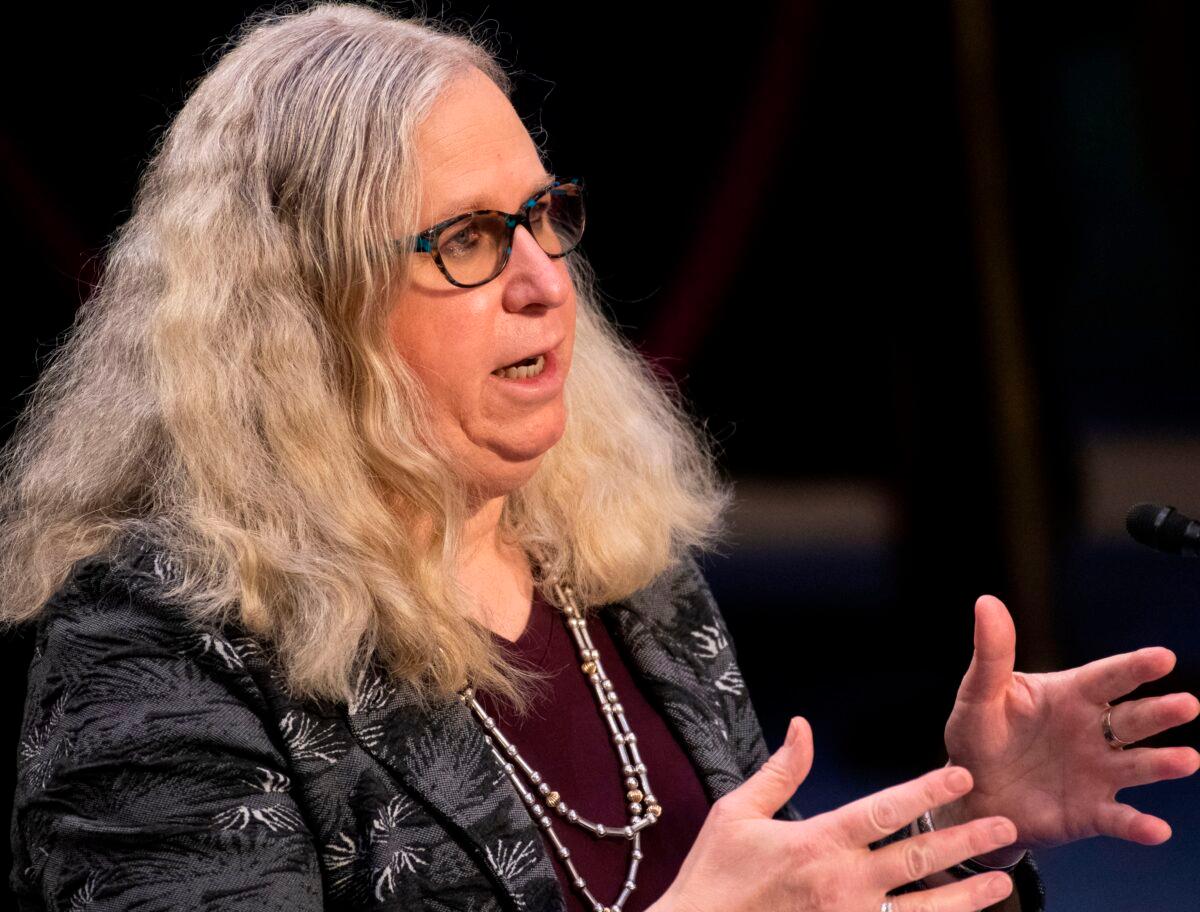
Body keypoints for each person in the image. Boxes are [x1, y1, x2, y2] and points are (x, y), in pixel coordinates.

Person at [3, 4, 1197, 911]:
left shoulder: (610, 566)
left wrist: (963, 827)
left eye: (540, 218)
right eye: (467, 239)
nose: (541, 282)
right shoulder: (151, 647)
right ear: (303, 312)